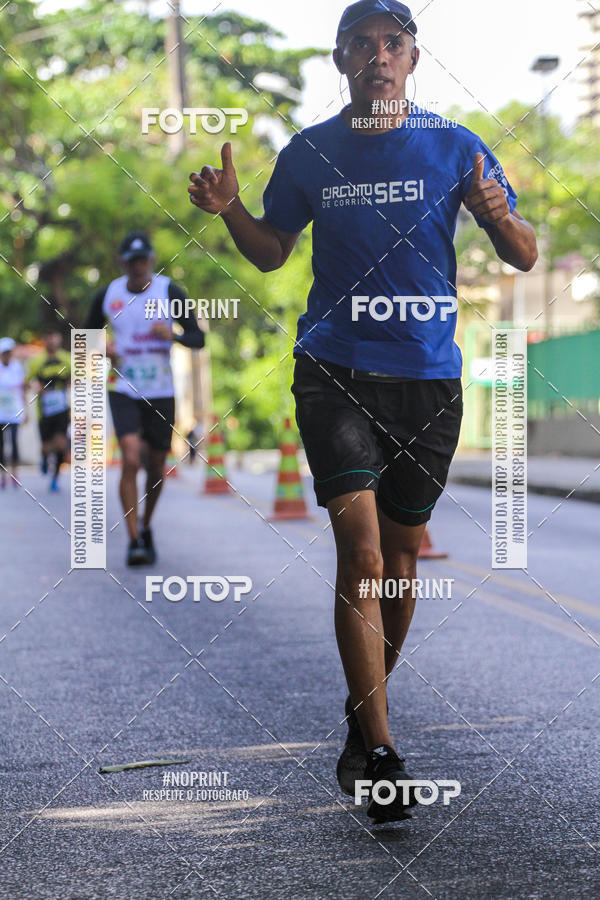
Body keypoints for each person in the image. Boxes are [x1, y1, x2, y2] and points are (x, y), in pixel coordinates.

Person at [188, 0, 537, 823]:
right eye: (362, 45)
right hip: (334, 369)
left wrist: (496, 214)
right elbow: (273, 252)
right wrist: (232, 209)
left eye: (393, 43)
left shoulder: (457, 146)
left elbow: (523, 252)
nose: (378, 57)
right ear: (340, 59)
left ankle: (360, 717)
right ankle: (381, 749)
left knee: (407, 557)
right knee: (365, 552)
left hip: (428, 376)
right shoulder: (309, 151)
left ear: (413, 58)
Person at [85, 231, 205, 566]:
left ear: (151, 260)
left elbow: (199, 339)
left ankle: (147, 524)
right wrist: (101, 346)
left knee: (155, 466)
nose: (138, 267)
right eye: (131, 261)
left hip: (162, 392)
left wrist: (176, 335)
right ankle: (134, 538)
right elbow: (84, 337)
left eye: (143, 260)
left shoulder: (170, 292)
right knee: (131, 458)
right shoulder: (108, 295)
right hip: (123, 388)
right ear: (123, 263)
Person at [27, 330, 71, 492]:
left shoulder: (67, 359)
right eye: (48, 336)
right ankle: (44, 458)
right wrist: (36, 388)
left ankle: (55, 478)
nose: (51, 340)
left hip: (61, 409)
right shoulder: (36, 361)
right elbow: (27, 382)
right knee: (46, 447)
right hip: (44, 411)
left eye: (54, 336)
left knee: (60, 444)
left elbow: (78, 378)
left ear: (59, 338)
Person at [0, 337, 25, 488]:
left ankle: (15, 474)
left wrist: (25, 411)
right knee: (1, 445)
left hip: (14, 412)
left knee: (14, 443)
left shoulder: (17, 367)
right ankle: (3, 476)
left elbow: (21, 388)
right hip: (1, 413)